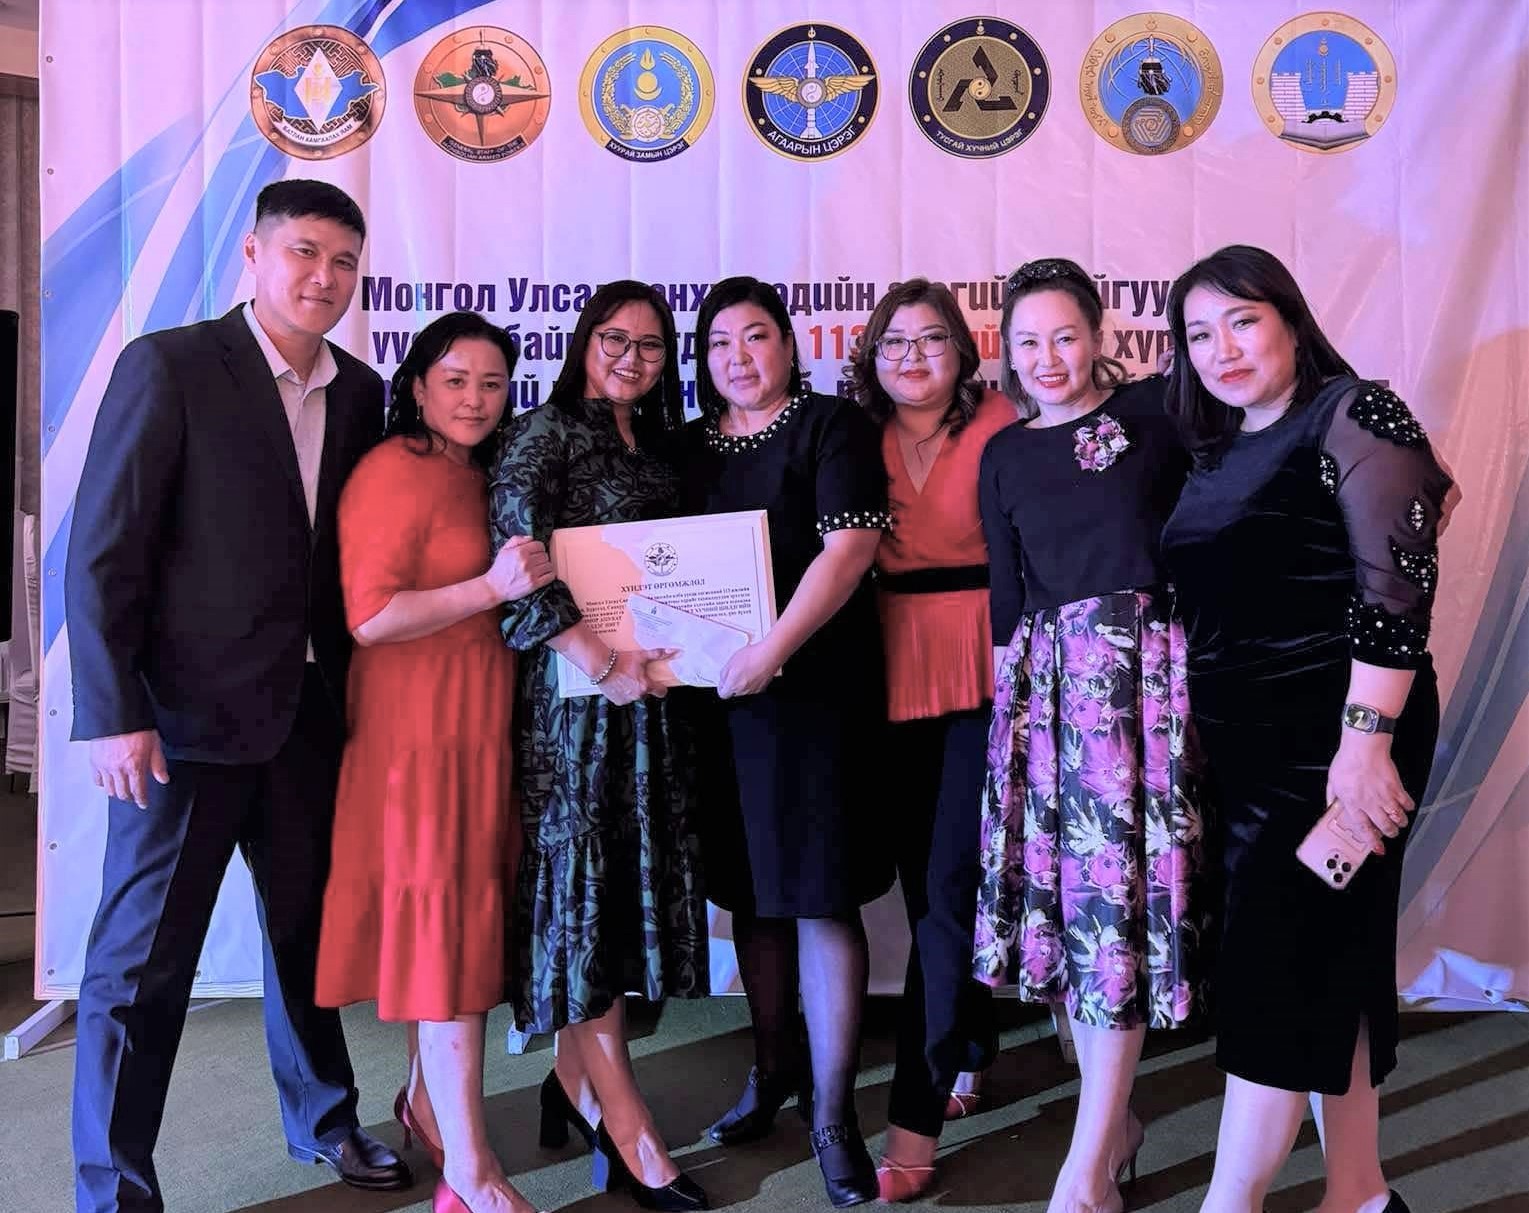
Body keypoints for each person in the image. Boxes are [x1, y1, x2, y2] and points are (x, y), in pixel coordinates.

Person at [65, 180, 409, 1211]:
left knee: (305, 937)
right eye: (303, 252)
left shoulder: (360, 391)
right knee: (140, 967)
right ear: (253, 255)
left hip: (309, 719)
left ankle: (325, 1119)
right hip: (180, 725)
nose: (323, 277)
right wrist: (114, 711)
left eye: (343, 262)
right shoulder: (169, 365)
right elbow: (103, 552)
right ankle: (113, 1185)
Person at [1161, 245, 1451, 1213]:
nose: (1221, 348)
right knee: (1332, 956)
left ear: (1289, 319)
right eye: (1198, 333)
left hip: (1335, 748)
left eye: (1241, 320)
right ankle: (1360, 1195)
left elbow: (1397, 584)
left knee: (1274, 971)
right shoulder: (1222, 446)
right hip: (1250, 753)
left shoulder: (1351, 410)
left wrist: (1363, 746)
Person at [975, 258, 1212, 1213]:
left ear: (1099, 333)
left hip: (1148, 690)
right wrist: (1010, 727)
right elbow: (1007, 595)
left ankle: (1084, 1170)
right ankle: (1111, 1128)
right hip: (1047, 698)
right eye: (1027, 342)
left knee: (1114, 911)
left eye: (1064, 336)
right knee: (1066, 914)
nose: (1047, 358)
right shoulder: (1003, 453)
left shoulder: (1157, 411)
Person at [314, 312, 553, 1213]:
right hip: (416, 739)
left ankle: (425, 1105)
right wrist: (491, 587)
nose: (476, 399)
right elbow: (370, 616)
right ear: (416, 386)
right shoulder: (391, 469)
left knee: (452, 934)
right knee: (445, 944)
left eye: (492, 383)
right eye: (456, 380)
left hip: (475, 727)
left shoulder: (478, 471)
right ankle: (471, 1172)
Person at [489, 281, 710, 1212]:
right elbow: (515, 563)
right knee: (583, 897)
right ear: (584, 343)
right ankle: (628, 1126)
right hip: (576, 708)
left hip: (649, 706)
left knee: (619, 896)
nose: (631, 357)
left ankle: (570, 1081)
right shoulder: (542, 435)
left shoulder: (656, 444)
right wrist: (596, 657)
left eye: (650, 345)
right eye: (615, 339)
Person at [681, 275, 893, 1209]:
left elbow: (850, 550)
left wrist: (771, 649)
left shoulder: (829, 426)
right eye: (719, 342)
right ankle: (770, 1073)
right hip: (720, 705)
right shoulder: (688, 445)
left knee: (817, 895)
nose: (738, 356)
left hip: (812, 695)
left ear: (787, 343)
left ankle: (834, 1113)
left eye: (755, 335)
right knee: (750, 895)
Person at [842, 279, 1013, 1201]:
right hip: (887, 668)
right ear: (872, 355)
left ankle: (913, 1116)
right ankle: (972, 1042)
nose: (911, 356)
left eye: (931, 338)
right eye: (895, 341)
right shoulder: (852, 434)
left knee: (948, 893)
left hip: (988, 667)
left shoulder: (1003, 421)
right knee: (931, 891)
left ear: (963, 349)